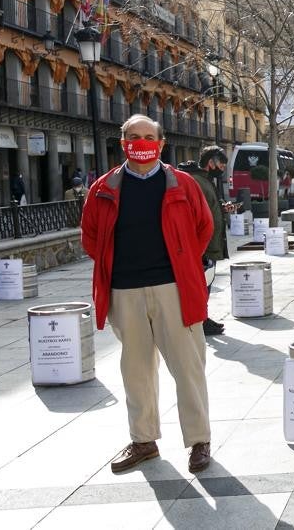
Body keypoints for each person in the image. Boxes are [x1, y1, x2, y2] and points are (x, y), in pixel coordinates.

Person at [79, 114, 214, 474]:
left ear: (161, 143)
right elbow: (91, 238)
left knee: (188, 368)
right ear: (123, 143)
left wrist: (181, 263)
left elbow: (204, 228)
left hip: (175, 290)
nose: (141, 142)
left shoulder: (183, 184)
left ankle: (199, 441)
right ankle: (143, 441)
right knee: (136, 371)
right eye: (133, 136)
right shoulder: (104, 188)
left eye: (148, 136)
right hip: (125, 292)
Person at [177, 146, 234, 337]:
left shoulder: (206, 180)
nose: (223, 168)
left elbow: (206, 208)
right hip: (203, 245)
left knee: (206, 283)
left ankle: (203, 317)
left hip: (209, 243)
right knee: (202, 284)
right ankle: (200, 320)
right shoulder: (198, 181)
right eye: (221, 164)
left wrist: (222, 209)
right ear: (211, 162)